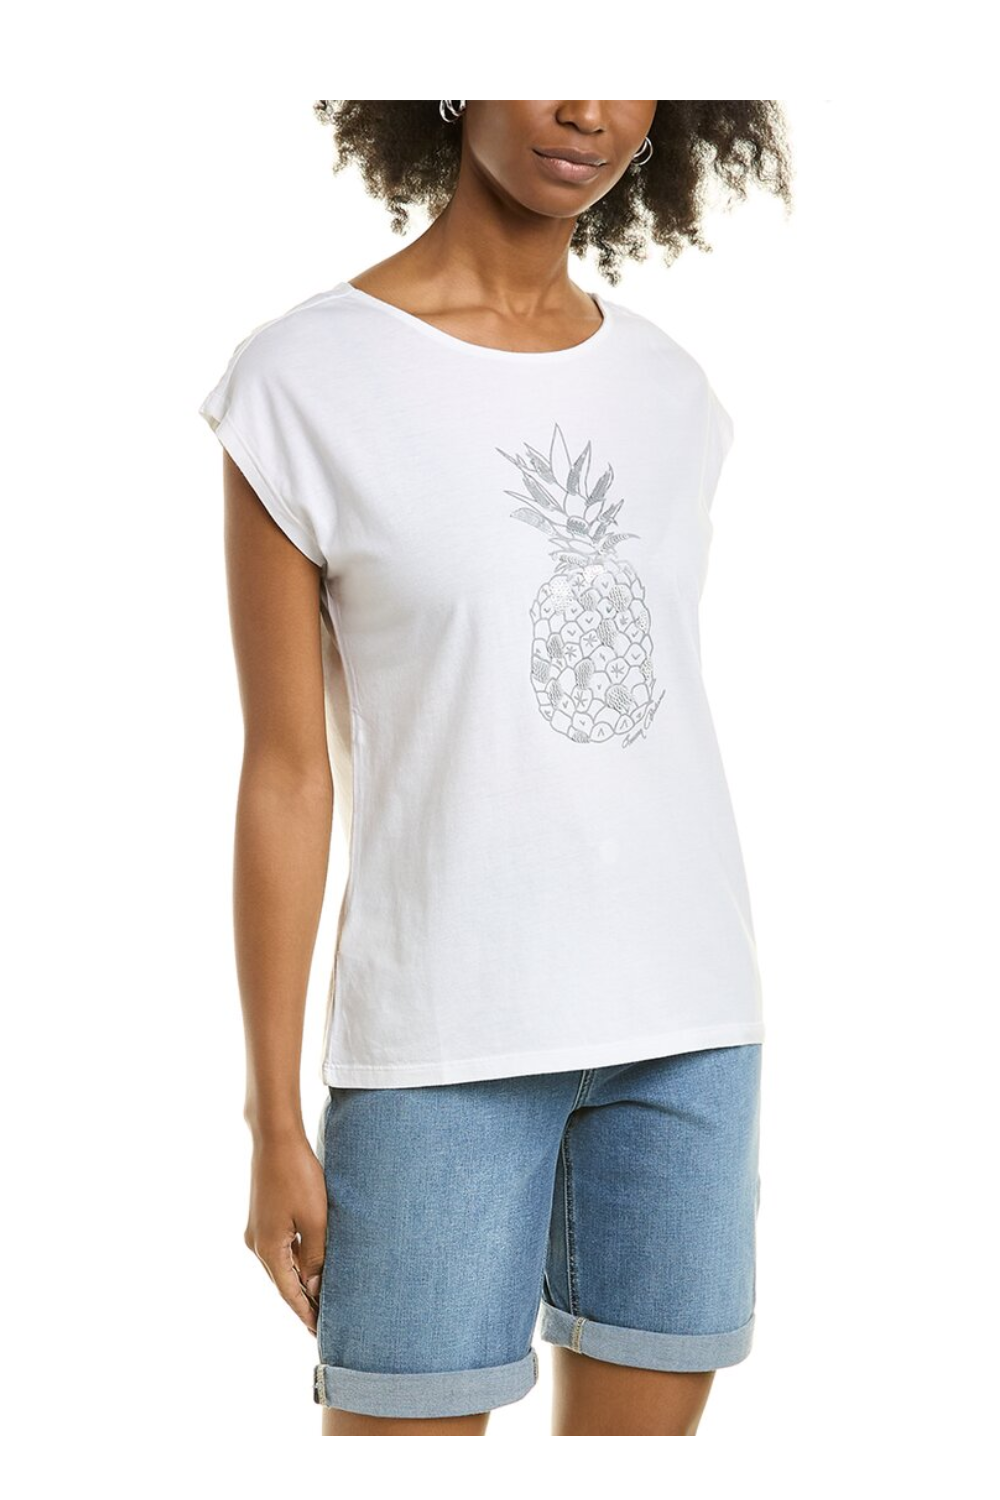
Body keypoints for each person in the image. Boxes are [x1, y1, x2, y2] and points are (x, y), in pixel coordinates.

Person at [198, 99, 792, 1437]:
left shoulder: (672, 390)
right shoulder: (303, 382)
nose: (586, 108)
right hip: (439, 1046)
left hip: (689, 1032)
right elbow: (286, 772)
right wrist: (272, 1118)